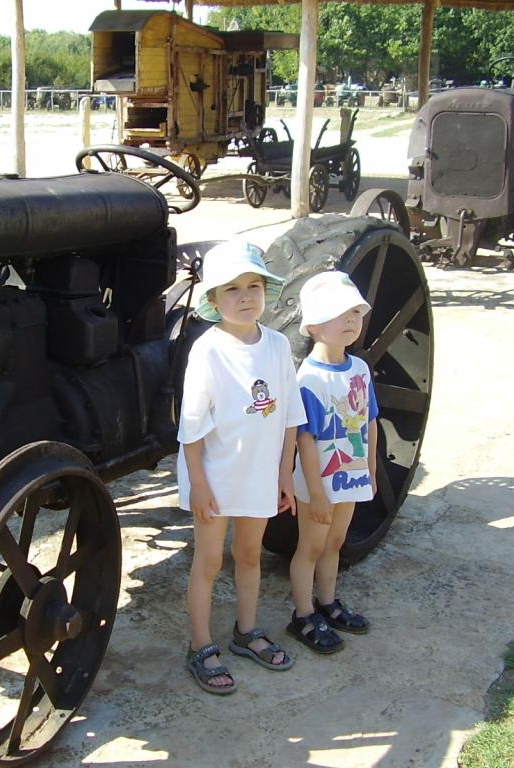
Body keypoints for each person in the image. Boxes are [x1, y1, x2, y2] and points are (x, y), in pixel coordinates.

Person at [179, 240, 305, 695]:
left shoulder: (277, 345)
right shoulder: (208, 351)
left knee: (250, 554)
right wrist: (198, 485)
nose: (245, 296)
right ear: (213, 300)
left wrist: (284, 473)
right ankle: (200, 644)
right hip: (215, 476)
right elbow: (191, 427)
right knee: (210, 560)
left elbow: (289, 415)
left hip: (260, 473)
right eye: (231, 288)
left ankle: (246, 631)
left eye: (254, 285)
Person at [287, 271, 376, 654]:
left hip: (351, 476)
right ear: (314, 326)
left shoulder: (360, 370)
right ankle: (303, 614)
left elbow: (370, 420)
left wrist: (371, 470)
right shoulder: (309, 379)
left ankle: (327, 602)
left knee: (335, 542)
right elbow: (305, 439)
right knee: (310, 546)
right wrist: (316, 492)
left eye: (356, 311)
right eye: (341, 313)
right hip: (319, 483)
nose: (352, 319)